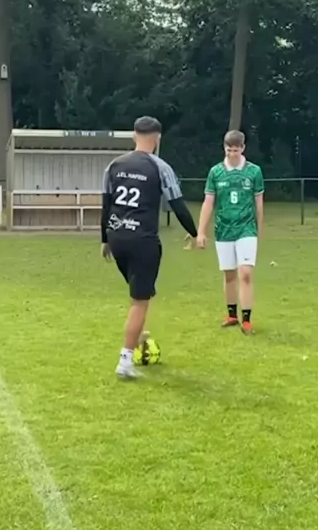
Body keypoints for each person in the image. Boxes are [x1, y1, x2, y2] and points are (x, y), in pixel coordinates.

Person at [101, 116, 198, 379]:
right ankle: (125, 361)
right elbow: (177, 205)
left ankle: (140, 336)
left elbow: (106, 205)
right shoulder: (160, 167)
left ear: (134, 136)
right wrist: (195, 233)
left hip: (117, 237)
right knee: (140, 301)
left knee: (138, 294)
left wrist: (104, 239)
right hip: (143, 240)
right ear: (158, 139)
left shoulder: (114, 166)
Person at [196, 130, 264, 335]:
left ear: (243, 148)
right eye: (229, 150)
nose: (232, 154)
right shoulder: (216, 172)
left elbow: (259, 203)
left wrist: (259, 229)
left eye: (236, 150)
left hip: (246, 228)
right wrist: (201, 232)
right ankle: (232, 315)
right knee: (229, 275)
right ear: (224, 148)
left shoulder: (254, 171)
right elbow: (209, 202)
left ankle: (247, 320)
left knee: (245, 273)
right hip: (223, 229)